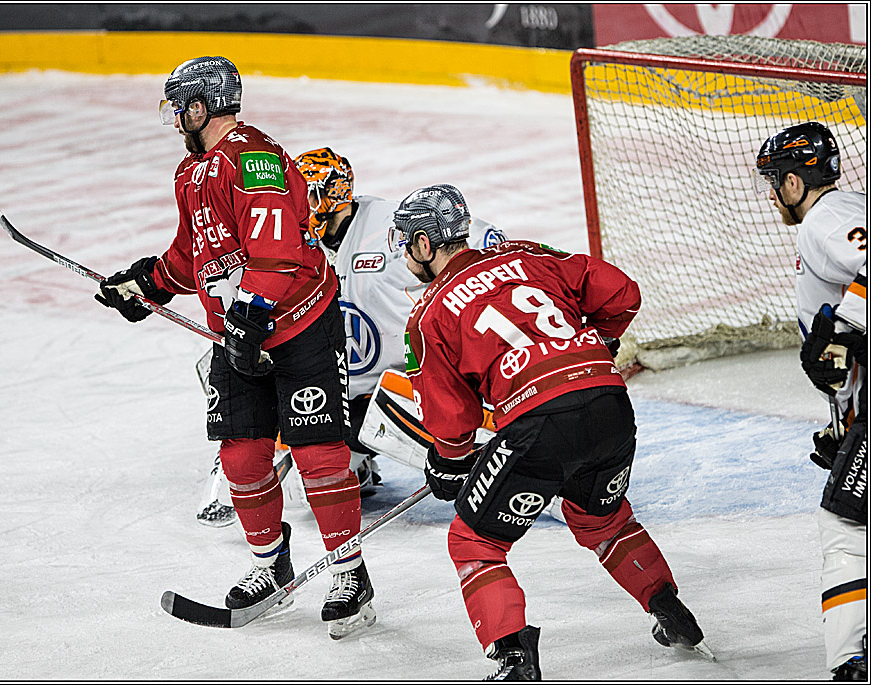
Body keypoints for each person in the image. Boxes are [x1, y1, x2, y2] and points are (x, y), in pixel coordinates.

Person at [95, 56, 375, 639]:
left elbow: (276, 253)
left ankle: (350, 574)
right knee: (242, 460)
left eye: (178, 107)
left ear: (200, 107)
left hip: (298, 325)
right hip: (242, 332)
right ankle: (270, 565)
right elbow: (195, 253)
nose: (173, 119)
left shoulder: (252, 158)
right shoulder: (191, 172)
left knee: (319, 457)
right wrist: (146, 281)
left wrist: (249, 318)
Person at [395, 183, 712, 679]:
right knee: (602, 521)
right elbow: (623, 292)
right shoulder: (528, 256)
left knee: (473, 541)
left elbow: (451, 419)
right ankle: (669, 609)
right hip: (611, 404)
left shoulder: (429, 312)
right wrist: (597, 345)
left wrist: (449, 461)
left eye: (407, 243)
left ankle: (512, 660)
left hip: (541, 422)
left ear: (423, 244)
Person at [196, 147, 507, 524]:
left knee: (407, 423)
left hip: (410, 386)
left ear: (334, 196)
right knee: (299, 491)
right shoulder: (289, 240)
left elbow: (482, 244)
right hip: (342, 391)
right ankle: (356, 462)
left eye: (306, 194)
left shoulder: (387, 228)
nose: (295, 203)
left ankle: (532, 471)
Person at [755, 121, 867, 681]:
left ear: (795, 183)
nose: (773, 194)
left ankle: (853, 664)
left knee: (846, 526)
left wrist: (845, 329)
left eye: (774, 181)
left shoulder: (825, 220)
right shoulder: (844, 211)